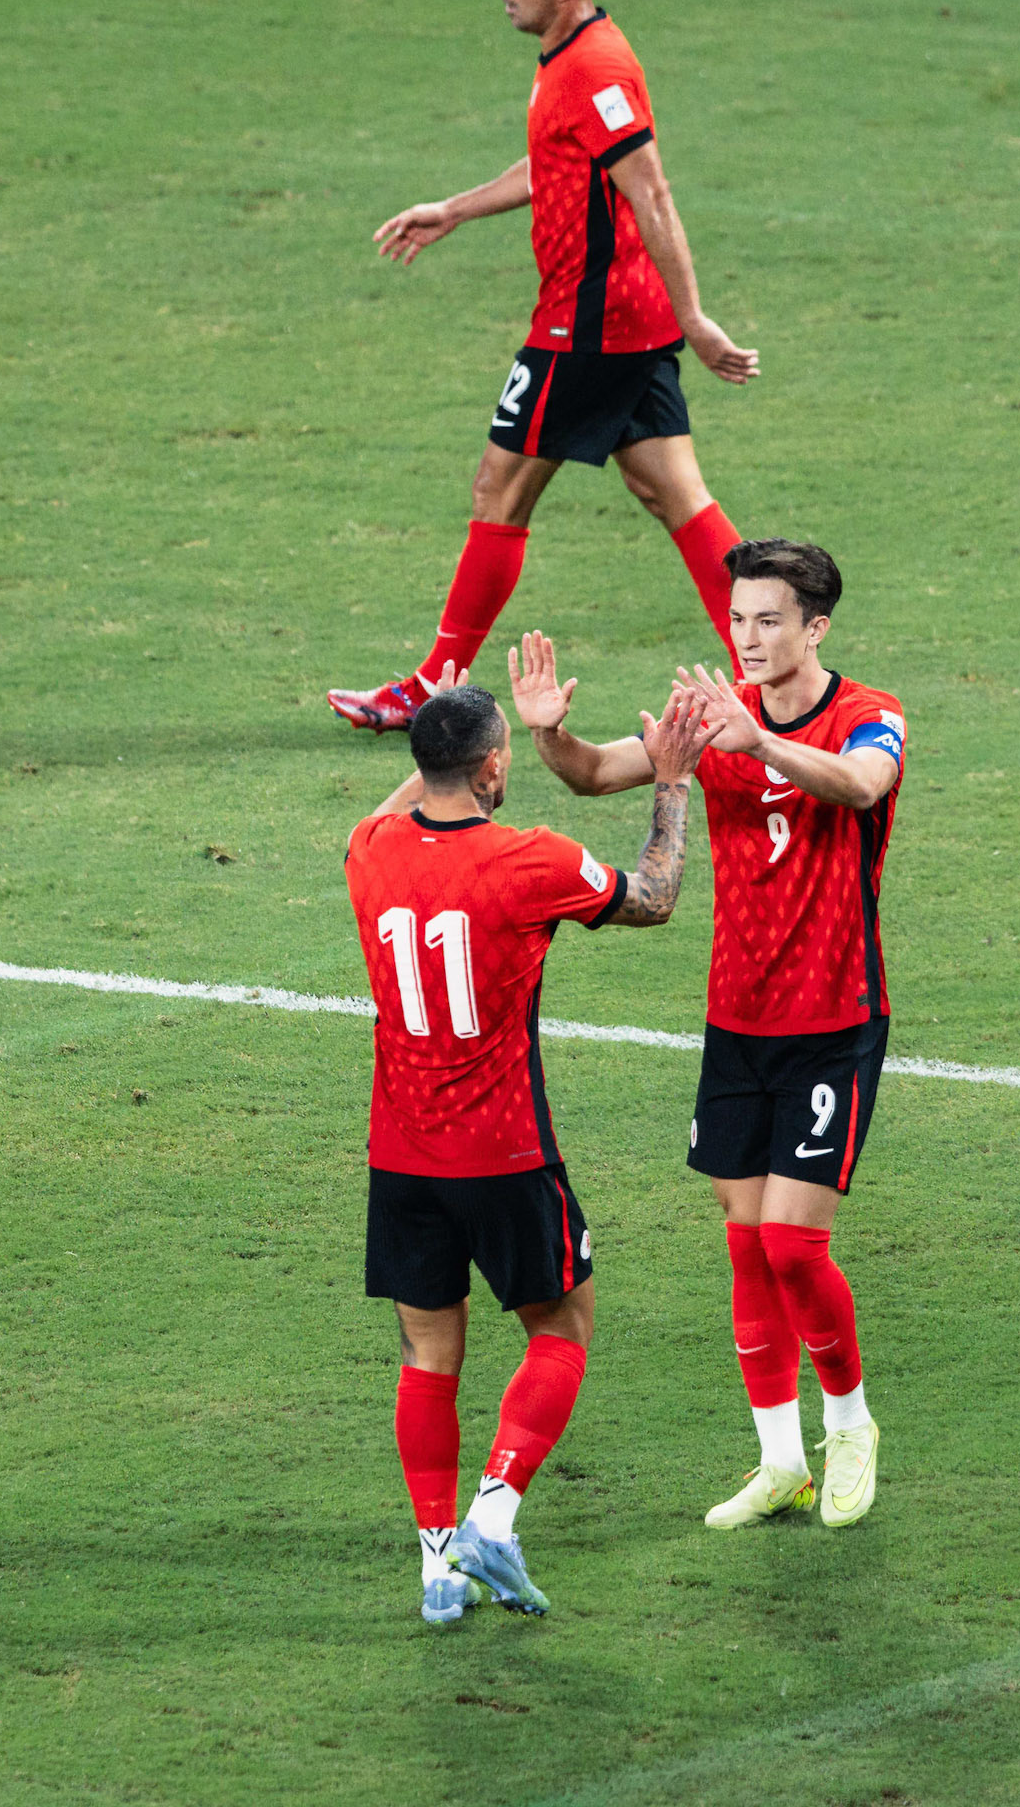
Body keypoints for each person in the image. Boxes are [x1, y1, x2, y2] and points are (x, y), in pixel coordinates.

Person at [507, 539, 905, 1531]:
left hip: (834, 1015)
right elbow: (598, 772)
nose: (750, 636)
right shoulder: (712, 712)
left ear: (816, 627)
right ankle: (780, 1458)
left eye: (770, 619)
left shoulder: (871, 714)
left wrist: (757, 741)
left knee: (793, 1240)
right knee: (744, 1243)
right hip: (739, 1019)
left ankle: (850, 1425)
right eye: (738, 619)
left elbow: (858, 786)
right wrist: (552, 737)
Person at [328, 0, 757, 734]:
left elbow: (652, 191)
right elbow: (554, 161)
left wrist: (696, 318)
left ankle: (431, 687)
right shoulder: (568, 61)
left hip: (586, 323)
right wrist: (453, 209)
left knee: (500, 488)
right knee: (673, 493)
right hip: (619, 317)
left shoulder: (597, 68)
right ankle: (769, 676)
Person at [345, 668, 712, 1623]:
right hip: (505, 1155)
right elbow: (657, 895)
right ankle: (494, 1519)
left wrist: (446, 733)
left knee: (428, 1356)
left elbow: (396, 810)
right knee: (563, 1327)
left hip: (401, 1157)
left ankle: (436, 1568)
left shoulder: (369, 851)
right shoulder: (532, 859)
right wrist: (672, 781)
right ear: (497, 764)